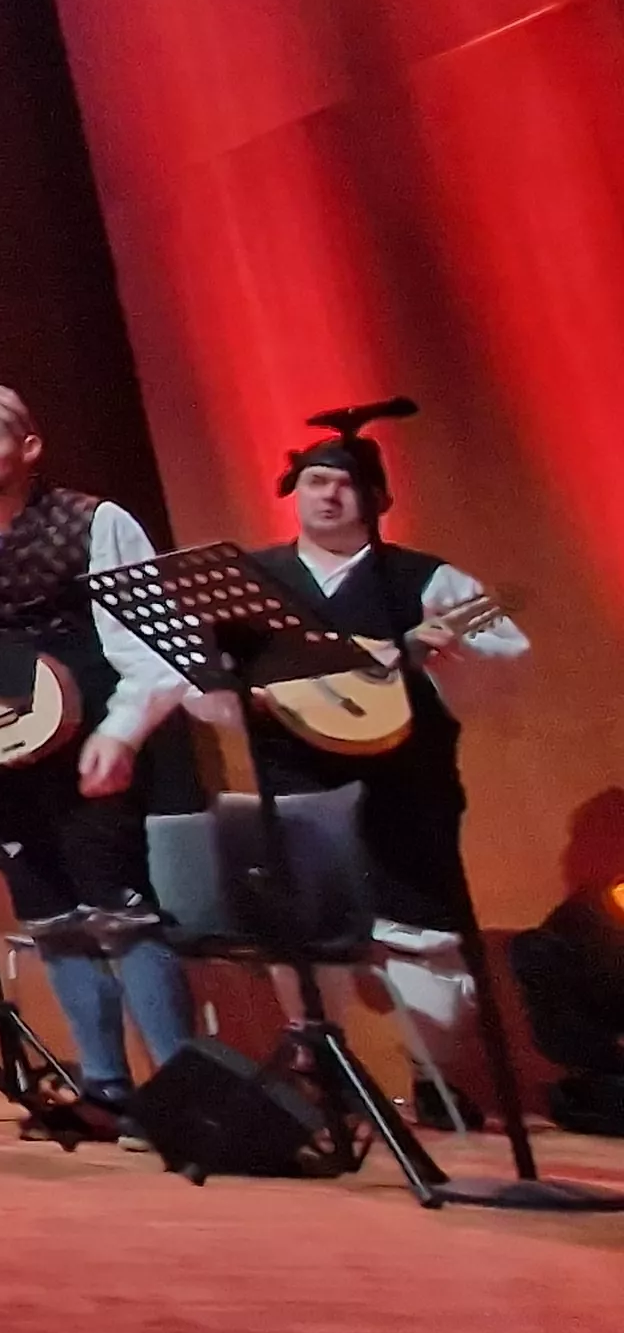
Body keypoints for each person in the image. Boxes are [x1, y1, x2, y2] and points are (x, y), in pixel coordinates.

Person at [237, 401, 528, 1131]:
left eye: (346, 483)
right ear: (294, 493)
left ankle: (434, 1078)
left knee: (421, 928)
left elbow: (504, 643)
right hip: (297, 781)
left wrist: (436, 649)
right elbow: (204, 680)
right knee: (305, 925)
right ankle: (321, 1067)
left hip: (407, 781)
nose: (329, 494)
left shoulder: (425, 578)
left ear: (378, 501)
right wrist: (251, 695)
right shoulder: (256, 579)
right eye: (314, 481)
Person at [0, 384, 198, 1122]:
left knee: (119, 909)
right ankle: (104, 1087)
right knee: (52, 916)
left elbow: (151, 646)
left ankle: (180, 1091)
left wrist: (122, 733)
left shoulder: (95, 522)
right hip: (0, 743)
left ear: (28, 448)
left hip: (90, 734)